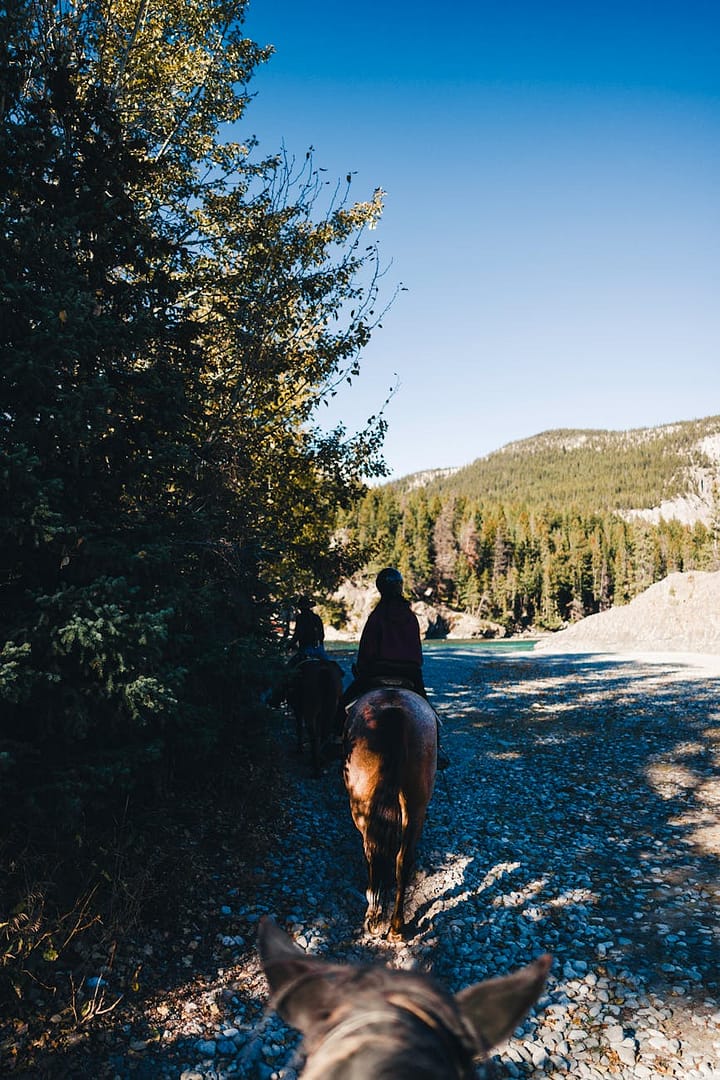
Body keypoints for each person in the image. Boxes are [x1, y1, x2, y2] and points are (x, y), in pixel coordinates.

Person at [340, 568, 449, 768]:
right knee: (427, 708)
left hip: (377, 671)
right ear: (400, 587)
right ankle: (437, 749)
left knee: (344, 703)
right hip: (408, 673)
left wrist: (364, 668)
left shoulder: (377, 616)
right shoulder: (410, 616)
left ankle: (335, 741)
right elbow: (416, 652)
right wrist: (410, 666)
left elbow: (367, 649)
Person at [288, 596, 328, 665]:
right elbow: (322, 635)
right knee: (329, 664)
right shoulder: (316, 618)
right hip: (319, 649)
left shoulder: (300, 618)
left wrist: (290, 644)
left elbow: (298, 634)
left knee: (290, 667)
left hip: (305, 649)